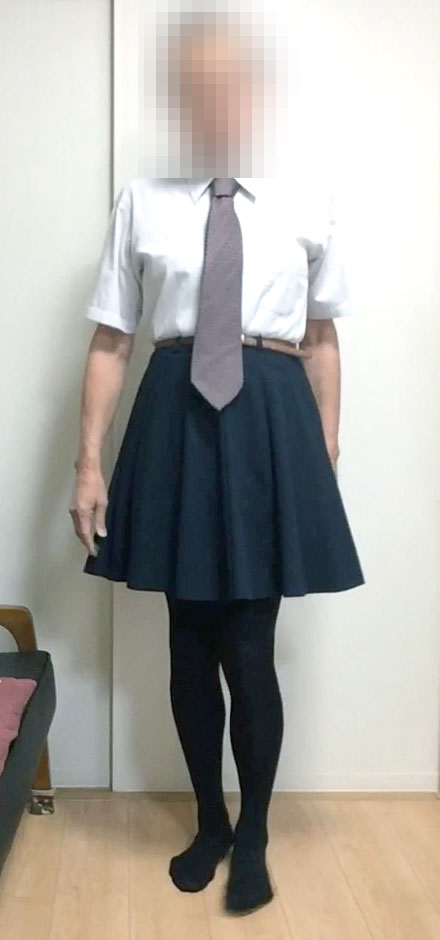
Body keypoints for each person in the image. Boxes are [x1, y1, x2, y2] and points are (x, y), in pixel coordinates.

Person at [69, 18, 365, 919]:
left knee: (250, 641)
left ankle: (257, 833)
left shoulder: (306, 199)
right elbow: (112, 339)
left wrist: (324, 447)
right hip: (175, 409)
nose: (217, 98)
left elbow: (322, 336)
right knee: (188, 642)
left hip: (272, 411)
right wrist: (88, 464)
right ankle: (211, 822)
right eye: (198, 83)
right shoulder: (143, 199)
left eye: (233, 81)